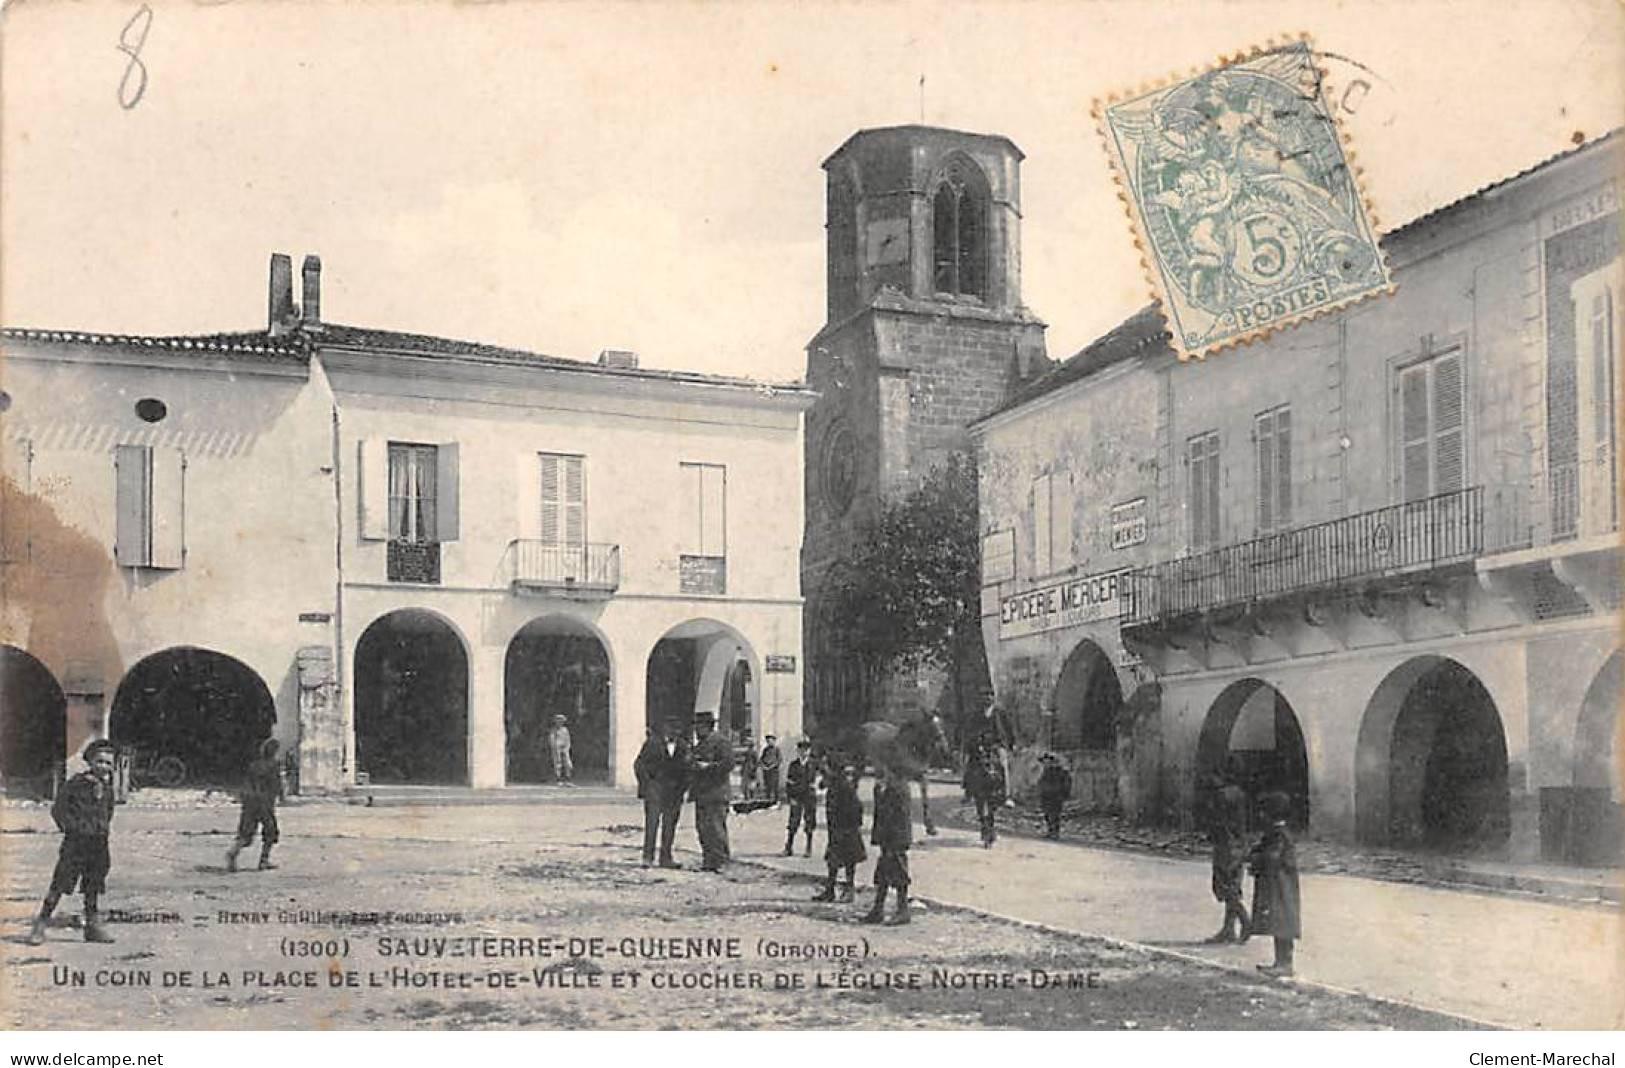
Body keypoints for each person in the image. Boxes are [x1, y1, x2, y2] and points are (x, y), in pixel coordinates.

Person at [28, 739, 118, 945]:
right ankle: (41, 923)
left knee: (93, 884)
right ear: (90, 761)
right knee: (61, 883)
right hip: (75, 844)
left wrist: (101, 829)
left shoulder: (107, 789)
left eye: (108, 763)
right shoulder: (75, 785)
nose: (104, 767)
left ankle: (92, 927)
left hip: (98, 845)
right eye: (100, 761)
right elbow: (58, 810)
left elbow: (108, 812)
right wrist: (72, 828)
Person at [1247, 791, 1301, 977]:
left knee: (1282, 921)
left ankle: (1285, 964)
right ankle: (1280, 962)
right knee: (1277, 922)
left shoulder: (1280, 835)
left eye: (1264, 811)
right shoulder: (1275, 833)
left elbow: (1272, 857)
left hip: (1281, 887)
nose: (1261, 815)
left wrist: (1256, 858)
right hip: (1277, 885)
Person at [634, 718, 689, 869]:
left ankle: (666, 857)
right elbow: (639, 765)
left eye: (677, 729)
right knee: (652, 823)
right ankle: (648, 857)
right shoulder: (652, 743)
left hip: (674, 792)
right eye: (671, 728)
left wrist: (683, 788)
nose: (674, 732)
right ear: (664, 728)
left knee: (670, 825)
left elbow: (688, 769)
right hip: (655, 789)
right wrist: (647, 785)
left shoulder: (683, 746)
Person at [863, 763, 913, 925]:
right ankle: (878, 910)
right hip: (887, 837)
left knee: (899, 872)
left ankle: (903, 910)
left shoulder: (899, 788)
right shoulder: (886, 787)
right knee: (883, 873)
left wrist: (892, 840)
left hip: (896, 837)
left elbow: (898, 816)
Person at [1204, 775, 1251, 944]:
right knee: (1233, 885)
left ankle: (1245, 921)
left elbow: (1217, 822)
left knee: (1224, 887)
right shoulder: (1239, 793)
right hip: (1240, 843)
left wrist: (1211, 835)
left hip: (1225, 844)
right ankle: (1228, 929)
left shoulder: (1221, 795)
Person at [227, 738, 284, 873]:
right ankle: (263, 861)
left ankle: (233, 853)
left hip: (250, 802)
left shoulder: (254, 765)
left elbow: (246, 783)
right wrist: (281, 797)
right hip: (265, 803)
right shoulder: (274, 765)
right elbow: (277, 784)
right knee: (270, 832)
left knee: (246, 833)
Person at [813, 761, 865, 902]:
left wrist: (848, 826)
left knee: (849, 861)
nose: (823, 776)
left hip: (846, 830)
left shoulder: (844, 786)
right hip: (836, 830)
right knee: (832, 861)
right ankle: (830, 890)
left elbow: (857, 808)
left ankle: (849, 890)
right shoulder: (835, 785)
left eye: (825, 772)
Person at [687, 711, 732, 872]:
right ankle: (708, 860)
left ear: (708, 726)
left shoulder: (721, 742)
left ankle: (722, 861)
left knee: (716, 828)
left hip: (717, 792)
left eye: (699, 726)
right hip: (702, 793)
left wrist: (709, 767)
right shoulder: (700, 744)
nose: (697, 730)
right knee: (702, 828)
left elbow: (728, 764)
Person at [966, 744, 1006, 848]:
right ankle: (986, 829)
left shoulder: (995, 757)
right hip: (980, 786)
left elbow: (1001, 772)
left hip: (992, 787)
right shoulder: (976, 758)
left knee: (991, 811)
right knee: (981, 810)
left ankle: (989, 829)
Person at [782, 739, 817, 856]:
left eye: (806, 750)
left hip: (809, 797)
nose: (804, 752)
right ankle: (789, 847)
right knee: (793, 822)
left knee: (809, 822)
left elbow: (820, 780)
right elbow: (789, 782)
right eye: (801, 750)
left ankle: (808, 848)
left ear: (809, 751)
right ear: (798, 751)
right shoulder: (793, 765)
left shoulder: (814, 765)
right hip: (796, 797)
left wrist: (817, 788)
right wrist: (790, 797)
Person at [1036, 752, 1073, 840]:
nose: (1046, 763)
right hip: (1046, 796)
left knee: (1055, 814)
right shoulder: (1046, 772)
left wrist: (1064, 795)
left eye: (1048, 761)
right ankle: (1050, 830)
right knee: (1047, 814)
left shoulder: (1061, 772)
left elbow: (1067, 784)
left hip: (1056, 796)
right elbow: (1041, 782)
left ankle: (1055, 832)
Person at [548, 714, 574, 786]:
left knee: (568, 764)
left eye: (561, 721)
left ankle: (568, 780)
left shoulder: (565, 730)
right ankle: (559, 779)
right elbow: (552, 739)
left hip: (565, 748)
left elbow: (568, 739)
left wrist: (567, 747)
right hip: (557, 748)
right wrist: (554, 747)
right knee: (558, 764)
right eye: (558, 720)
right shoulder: (554, 730)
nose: (560, 722)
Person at [758, 734, 782, 805]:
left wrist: (771, 766)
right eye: (768, 741)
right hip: (766, 771)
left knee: (775, 786)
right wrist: (763, 766)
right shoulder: (765, 750)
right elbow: (761, 759)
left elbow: (779, 760)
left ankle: (776, 801)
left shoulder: (777, 749)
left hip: (774, 771)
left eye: (770, 741)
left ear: (774, 741)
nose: (769, 742)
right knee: (767, 785)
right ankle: (768, 800)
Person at [738, 732, 758, 801]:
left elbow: (756, 762)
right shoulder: (746, 752)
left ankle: (751, 796)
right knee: (745, 783)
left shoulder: (754, 752)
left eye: (748, 744)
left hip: (751, 769)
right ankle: (747, 796)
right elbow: (744, 761)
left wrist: (754, 769)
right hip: (746, 768)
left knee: (751, 783)